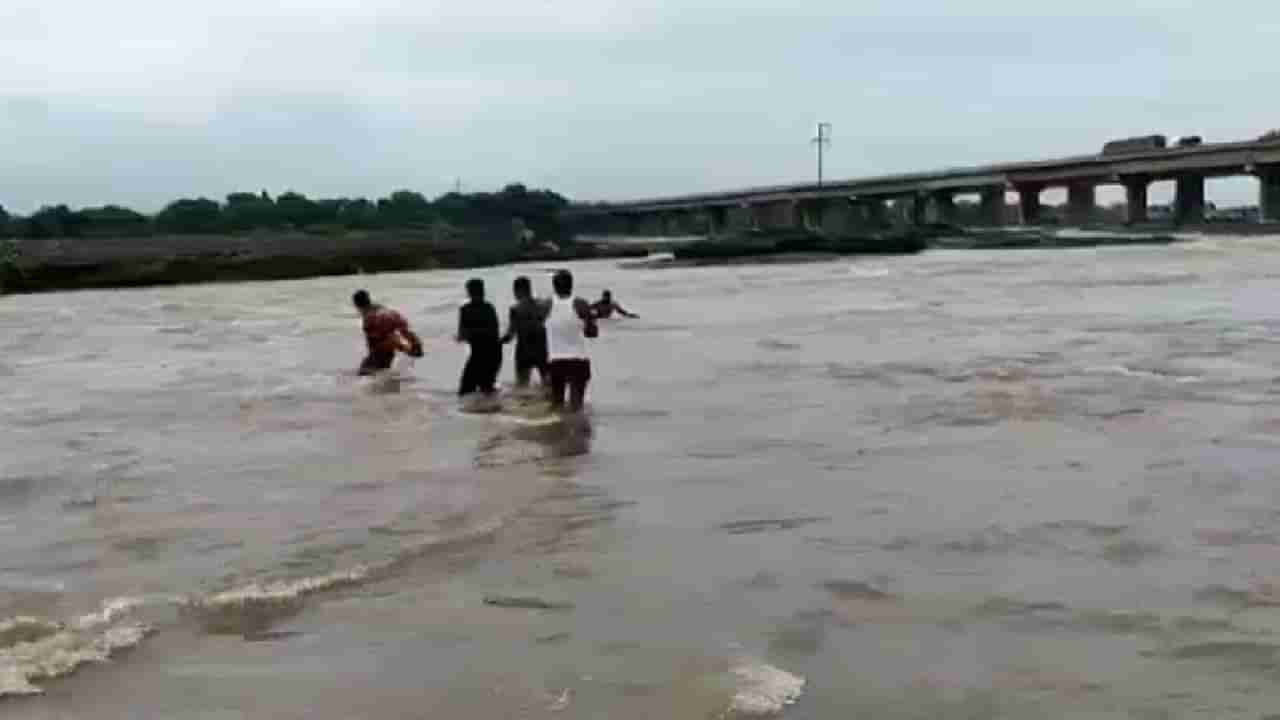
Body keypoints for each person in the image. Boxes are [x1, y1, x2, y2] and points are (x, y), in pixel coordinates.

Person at [546, 269, 598, 412]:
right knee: (576, 406)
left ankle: (558, 432)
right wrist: (589, 320)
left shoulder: (545, 305)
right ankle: (575, 432)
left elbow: (537, 327)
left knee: (556, 405)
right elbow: (592, 333)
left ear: (554, 286)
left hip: (555, 361)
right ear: (572, 285)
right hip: (578, 360)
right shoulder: (581, 304)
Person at [353, 289, 423, 376]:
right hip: (392, 339)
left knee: (365, 372)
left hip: (383, 349)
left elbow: (381, 341)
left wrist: (404, 348)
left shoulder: (368, 318)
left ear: (356, 305)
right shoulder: (387, 311)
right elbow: (404, 330)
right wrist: (414, 345)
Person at [499, 276, 550, 389]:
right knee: (548, 385)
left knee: (522, 385)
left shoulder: (515, 309)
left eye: (515, 291)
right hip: (541, 348)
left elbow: (511, 334)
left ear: (518, 290)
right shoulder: (543, 305)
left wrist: (498, 342)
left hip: (524, 350)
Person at [456, 278, 502, 396]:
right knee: (487, 389)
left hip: (479, 355)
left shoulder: (465, 310)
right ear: (483, 291)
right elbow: (495, 332)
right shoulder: (489, 308)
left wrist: (463, 337)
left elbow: (462, 335)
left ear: (469, 292)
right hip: (493, 353)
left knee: (465, 392)